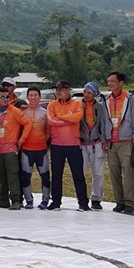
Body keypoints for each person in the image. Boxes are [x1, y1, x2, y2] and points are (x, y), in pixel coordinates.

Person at [47, 80, 90, 211]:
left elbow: (77, 117)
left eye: (61, 89)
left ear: (68, 90)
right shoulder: (51, 104)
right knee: (56, 175)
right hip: (56, 144)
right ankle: (55, 202)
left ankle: (83, 203)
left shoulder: (77, 103)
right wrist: (67, 119)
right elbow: (50, 120)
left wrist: (60, 117)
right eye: (57, 89)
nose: (58, 92)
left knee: (78, 174)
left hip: (73, 145)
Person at [104, 71, 134, 214]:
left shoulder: (130, 99)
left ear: (120, 83)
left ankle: (129, 203)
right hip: (111, 141)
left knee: (128, 171)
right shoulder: (106, 99)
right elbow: (103, 121)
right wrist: (104, 138)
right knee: (114, 172)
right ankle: (119, 202)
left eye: (112, 81)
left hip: (126, 141)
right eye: (108, 81)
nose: (110, 84)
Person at [0, 86, 32, 210]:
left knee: (12, 175)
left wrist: (21, 140)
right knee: (1, 176)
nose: (5, 99)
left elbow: (28, 123)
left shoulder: (14, 111)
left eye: (7, 97)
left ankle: (16, 200)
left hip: (10, 149)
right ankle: (3, 199)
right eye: (2, 97)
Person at [20, 87, 52, 210]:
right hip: (27, 150)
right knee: (26, 176)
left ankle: (45, 200)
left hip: (41, 150)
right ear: (27, 98)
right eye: (31, 95)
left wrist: (44, 142)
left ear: (39, 97)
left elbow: (48, 131)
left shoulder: (45, 112)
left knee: (44, 176)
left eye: (35, 95)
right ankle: (29, 200)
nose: (33, 98)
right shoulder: (22, 112)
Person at [80, 82, 109, 210]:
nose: (86, 95)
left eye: (89, 93)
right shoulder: (78, 105)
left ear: (94, 94)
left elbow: (103, 123)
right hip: (81, 143)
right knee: (80, 173)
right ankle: (81, 197)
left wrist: (104, 140)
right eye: (85, 92)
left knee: (98, 173)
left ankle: (96, 198)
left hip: (97, 142)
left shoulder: (100, 107)